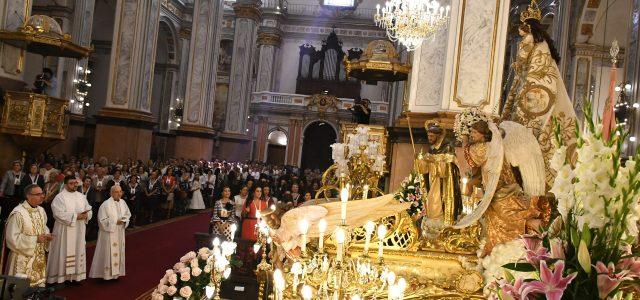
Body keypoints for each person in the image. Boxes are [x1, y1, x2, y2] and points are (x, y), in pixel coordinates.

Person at [501, 0, 577, 186]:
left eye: (520, 28)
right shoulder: (543, 44)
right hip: (539, 83)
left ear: (527, 27)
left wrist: (517, 65)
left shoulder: (529, 40)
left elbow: (521, 60)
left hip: (536, 86)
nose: (519, 32)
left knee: (532, 123)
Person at [455, 121, 545, 255]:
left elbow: (468, 153)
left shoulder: (484, 147)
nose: (472, 135)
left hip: (499, 189)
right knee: (500, 218)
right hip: (504, 187)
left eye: (474, 132)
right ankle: (498, 248)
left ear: (483, 135)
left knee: (505, 216)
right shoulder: (495, 145)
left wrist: (464, 138)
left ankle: (530, 224)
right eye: (471, 132)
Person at [46, 175, 93, 284]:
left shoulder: (81, 196)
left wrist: (87, 215)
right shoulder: (60, 197)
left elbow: (89, 209)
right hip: (64, 230)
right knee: (63, 251)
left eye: (75, 183)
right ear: (66, 184)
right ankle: (61, 277)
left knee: (78, 249)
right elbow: (57, 214)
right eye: (71, 183)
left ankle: (76, 276)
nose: (74, 185)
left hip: (79, 229)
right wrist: (76, 216)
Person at [414, 122, 462, 225]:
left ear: (438, 136)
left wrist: (434, 161)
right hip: (432, 180)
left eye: (431, 136)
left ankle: (440, 222)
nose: (429, 138)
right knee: (431, 203)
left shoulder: (447, 148)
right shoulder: (432, 149)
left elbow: (448, 169)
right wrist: (419, 160)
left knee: (436, 203)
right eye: (428, 136)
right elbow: (425, 169)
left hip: (443, 184)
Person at [5, 184, 53, 287]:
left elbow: (43, 227)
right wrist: (35, 239)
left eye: (42, 193)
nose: (42, 196)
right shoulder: (18, 213)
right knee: (19, 290)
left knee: (36, 287)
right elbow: (11, 239)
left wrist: (47, 236)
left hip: (38, 257)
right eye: (38, 194)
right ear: (28, 196)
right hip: (22, 257)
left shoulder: (41, 210)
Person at [89, 185, 131, 280]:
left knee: (118, 251)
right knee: (108, 252)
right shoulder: (106, 204)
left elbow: (128, 214)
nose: (119, 194)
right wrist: (115, 222)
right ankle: (105, 275)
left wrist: (124, 221)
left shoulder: (123, 202)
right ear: (111, 193)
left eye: (120, 191)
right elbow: (101, 220)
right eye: (116, 192)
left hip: (119, 231)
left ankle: (116, 274)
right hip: (108, 233)